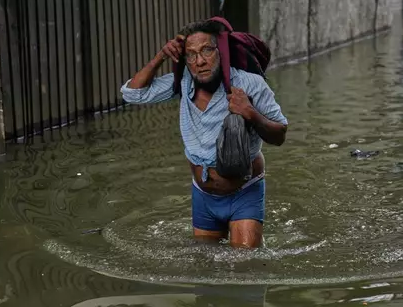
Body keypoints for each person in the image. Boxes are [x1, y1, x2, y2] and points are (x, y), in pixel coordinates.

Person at [120, 20, 288, 248]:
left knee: (245, 267)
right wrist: (161, 56)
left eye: (207, 50)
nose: (199, 61)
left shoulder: (250, 84)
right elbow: (132, 94)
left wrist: (250, 113)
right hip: (203, 196)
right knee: (206, 268)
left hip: (244, 192)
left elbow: (280, 135)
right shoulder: (183, 84)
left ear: (222, 51)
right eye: (191, 55)